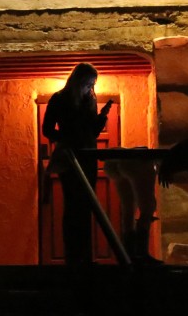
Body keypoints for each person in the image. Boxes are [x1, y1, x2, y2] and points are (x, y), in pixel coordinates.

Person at [41, 62, 111, 265]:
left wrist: (102, 116)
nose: (91, 87)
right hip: (70, 158)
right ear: (78, 80)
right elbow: (47, 130)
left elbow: (93, 133)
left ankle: (85, 257)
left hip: (88, 156)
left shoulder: (89, 100)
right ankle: (73, 257)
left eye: (92, 84)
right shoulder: (59, 99)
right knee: (73, 205)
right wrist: (67, 139)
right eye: (88, 83)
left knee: (87, 204)